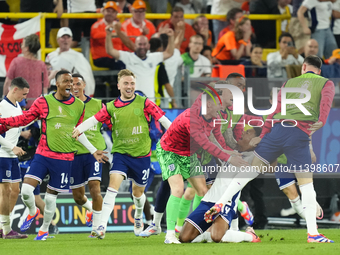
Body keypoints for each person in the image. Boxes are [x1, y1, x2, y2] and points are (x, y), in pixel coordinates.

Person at [206, 55, 336, 243]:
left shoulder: (288, 83)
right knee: (307, 185)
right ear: (319, 70)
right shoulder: (326, 83)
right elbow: (325, 105)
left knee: (249, 171)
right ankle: (313, 233)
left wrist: (263, 135)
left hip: (277, 131)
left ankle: (220, 202)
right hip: (298, 133)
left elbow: (274, 111)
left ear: (304, 67)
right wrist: (322, 121)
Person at [0, 70, 108, 241]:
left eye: (72, 82)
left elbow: (78, 132)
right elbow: (24, 119)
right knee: (26, 190)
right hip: (43, 154)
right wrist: (3, 123)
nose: (70, 85)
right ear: (57, 84)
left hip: (64, 158)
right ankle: (32, 211)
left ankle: (43, 230)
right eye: (66, 81)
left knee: (51, 199)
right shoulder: (43, 102)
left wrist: (93, 150)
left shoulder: (80, 106)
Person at [72, 69, 172, 239]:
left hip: (141, 156)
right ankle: (102, 226)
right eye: (126, 83)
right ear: (118, 86)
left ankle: (139, 216)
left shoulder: (144, 102)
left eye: (132, 83)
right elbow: (94, 119)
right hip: (121, 155)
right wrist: (79, 129)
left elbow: (162, 119)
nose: (129, 86)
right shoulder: (111, 107)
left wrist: (177, 134)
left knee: (138, 193)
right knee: (112, 189)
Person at [155, 83, 250, 244]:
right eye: (219, 104)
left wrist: (229, 152)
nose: (222, 107)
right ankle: (170, 234)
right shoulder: (192, 119)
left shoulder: (215, 115)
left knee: (203, 191)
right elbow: (207, 145)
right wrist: (229, 158)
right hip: (169, 151)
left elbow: (218, 139)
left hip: (189, 154)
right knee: (178, 189)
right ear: (209, 105)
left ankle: (202, 228)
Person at [179, 128, 263, 243]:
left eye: (248, 132)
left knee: (217, 237)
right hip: (208, 200)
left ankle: (250, 236)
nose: (243, 132)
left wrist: (221, 205)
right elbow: (216, 150)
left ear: (255, 141)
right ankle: (210, 235)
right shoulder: (232, 153)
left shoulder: (253, 160)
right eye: (244, 131)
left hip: (226, 202)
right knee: (184, 237)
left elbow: (237, 183)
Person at [70, 73, 108, 237]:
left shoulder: (98, 104)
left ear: (84, 85)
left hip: (94, 153)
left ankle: (97, 228)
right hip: (75, 153)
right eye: (72, 84)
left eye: (78, 84)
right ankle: (92, 209)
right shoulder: (66, 106)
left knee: (95, 189)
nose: (75, 87)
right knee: (78, 197)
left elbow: (112, 123)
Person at [105, 23, 175, 102]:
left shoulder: (153, 58)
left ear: (148, 46)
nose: (142, 47)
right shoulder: (128, 57)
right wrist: (108, 35)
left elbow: (169, 53)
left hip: (149, 103)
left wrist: (171, 37)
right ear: (135, 45)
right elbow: (110, 51)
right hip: (132, 102)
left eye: (144, 44)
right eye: (140, 44)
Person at [0, 77, 29, 239]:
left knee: (15, 191)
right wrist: (12, 147)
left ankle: (2, 225)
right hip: (2, 154)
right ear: (14, 89)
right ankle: (6, 229)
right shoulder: (2, 107)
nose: (24, 98)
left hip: (12, 156)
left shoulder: (18, 106)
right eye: (23, 94)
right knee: (5, 191)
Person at [46, 27, 96, 96]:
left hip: (70, 90)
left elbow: (87, 77)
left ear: (71, 40)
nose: (65, 40)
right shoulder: (50, 56)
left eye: (68, 37)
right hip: (52, 89)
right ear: (58, 39)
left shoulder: (78, 56)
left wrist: (71, 75)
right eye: (63, 37)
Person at [3, 34, 49, 108]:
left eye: (22, 44)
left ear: (27, 48)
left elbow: (7, 84)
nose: (21, 46)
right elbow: (45, 89)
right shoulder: (42, 65)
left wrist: (5, 102)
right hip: (36, 108)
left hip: (17, 107)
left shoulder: (16, 62)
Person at [90, 1, 125, 70]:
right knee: (120, 65)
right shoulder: (97, 25)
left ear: (116, 14)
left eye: (112, 12)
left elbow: (124, 38)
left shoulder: (119, 26)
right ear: (103, 12)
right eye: (108, 11)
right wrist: (112, 34)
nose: (110, 13)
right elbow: (96, 36)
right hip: (100, 57)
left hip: (117, 56)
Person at [149, 38, 177, 108]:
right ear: (159, 49)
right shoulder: (159, 65)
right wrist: (173, 101)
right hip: (157, 101)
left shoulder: (144, 61)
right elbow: (167, 85)